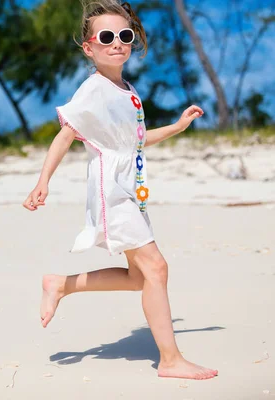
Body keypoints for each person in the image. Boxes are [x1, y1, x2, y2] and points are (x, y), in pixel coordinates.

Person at [22, 0, 218, 380]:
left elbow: (135, 141)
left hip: (130, 187)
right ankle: (170, 360)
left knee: (139, 278)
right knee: (157, 268)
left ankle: (59, 284)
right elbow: (65, 137)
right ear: (89, 47)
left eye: (124, 36)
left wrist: (177, 127)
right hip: (110, 189)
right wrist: (42, 181)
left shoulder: (126, 89)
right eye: (106, 37)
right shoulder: (93, 90)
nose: (117, 43)